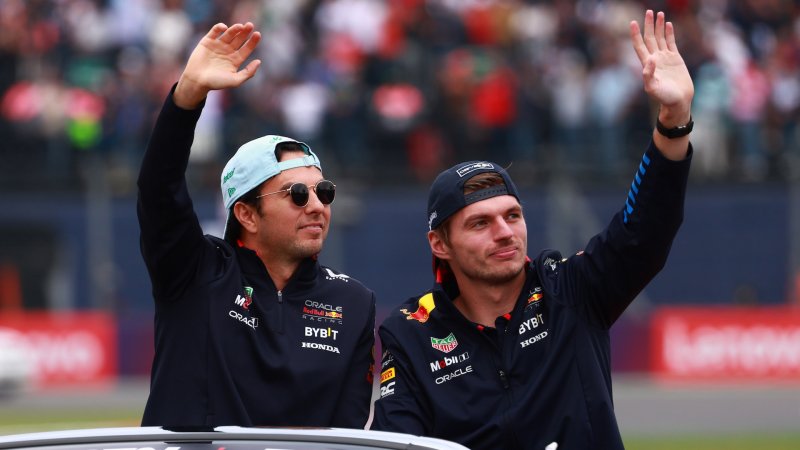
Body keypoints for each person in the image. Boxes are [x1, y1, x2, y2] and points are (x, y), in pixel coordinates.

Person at [371, 10, 693, 450]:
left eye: (512, 216)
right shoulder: (411, 332)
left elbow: (646, 230)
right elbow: (395, 441)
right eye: (480, 224)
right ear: (439, 243)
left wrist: (674, 119)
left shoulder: (572, 290)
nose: (504, 232)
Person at [137, 22, 376, 428]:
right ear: (246, 214)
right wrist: (187, 98)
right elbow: (159, 189)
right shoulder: (195, 271)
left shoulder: (354, 302)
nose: (317, 205)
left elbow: (348, 433)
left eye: (325, 192)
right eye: (297, 194)